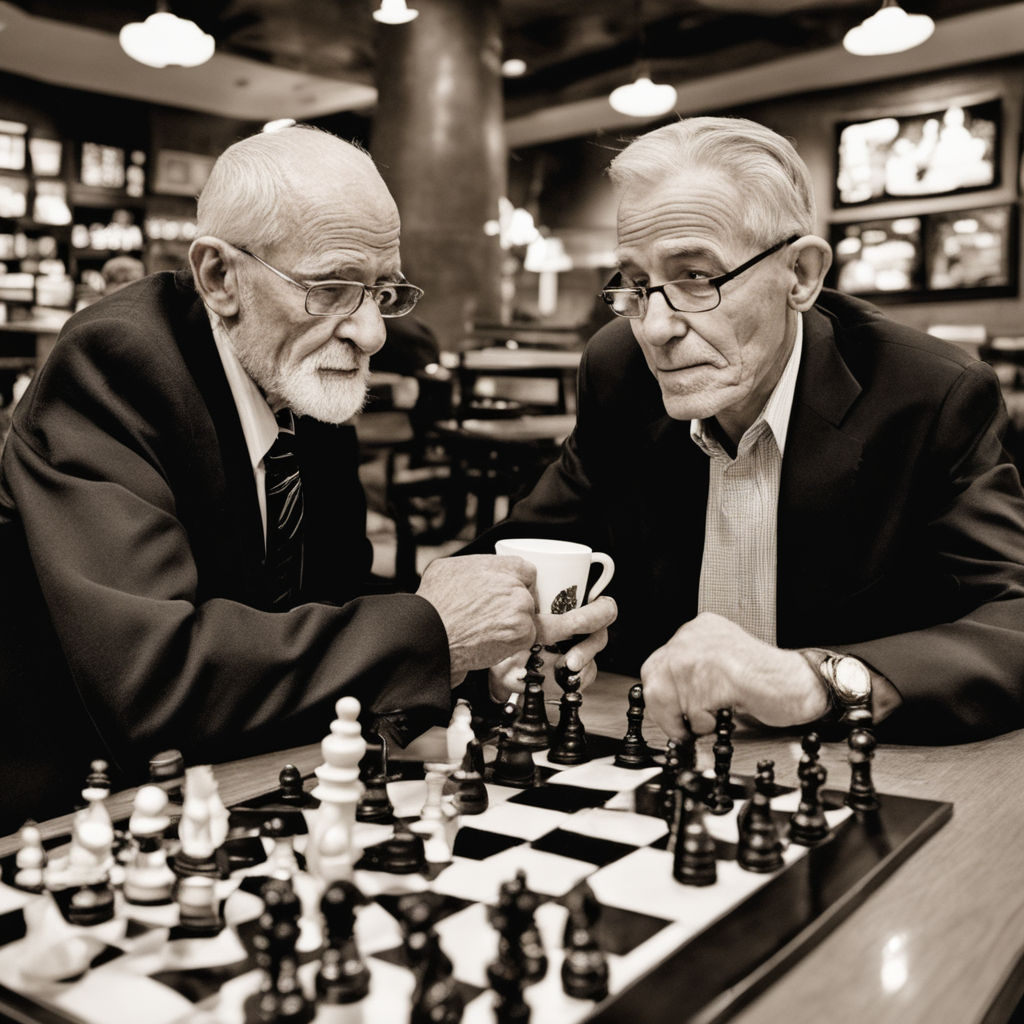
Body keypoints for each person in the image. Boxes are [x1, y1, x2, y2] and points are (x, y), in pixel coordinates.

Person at [0, 125, 614, 832]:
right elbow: (153, 682)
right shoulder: (116, 366)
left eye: (383, 291)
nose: (373, 334)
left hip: (249, 781)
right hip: (73, 813)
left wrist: (481, 659)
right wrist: (430, 632)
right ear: (219, 277)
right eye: (331, 288)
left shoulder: (297, 379)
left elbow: (335, 611)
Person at [478, 116, 1024, 745]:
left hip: (857, 771)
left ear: (801, 276)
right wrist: (508, 648)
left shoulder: (928, 393)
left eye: (697, 277)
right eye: (634, 284)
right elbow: (518, 554)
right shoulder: (617, 370)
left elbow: (1014, 620)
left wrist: (818, 679)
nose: (655, 329)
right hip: (657, 761)